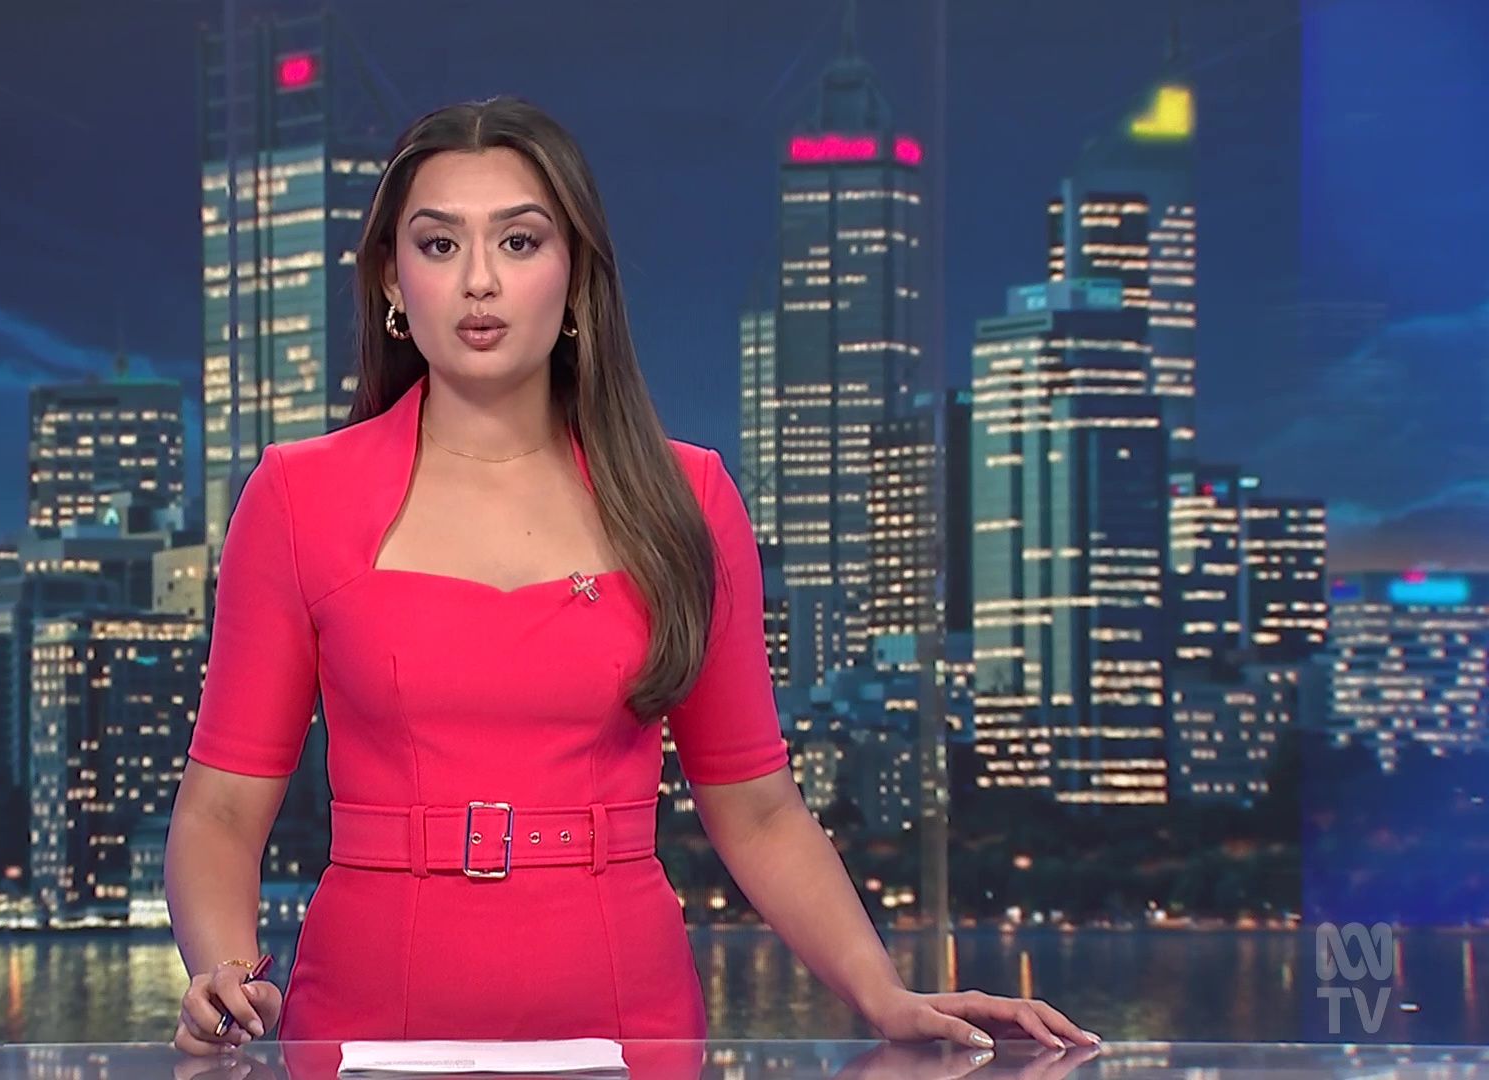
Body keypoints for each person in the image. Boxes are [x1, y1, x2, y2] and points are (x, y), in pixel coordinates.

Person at [166, 96, 1100, 1054]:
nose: (479, 280)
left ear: (576, 278)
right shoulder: (297, 499)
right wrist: (225, 977)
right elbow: (222, 811)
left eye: (519, 242)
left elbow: (760, 814)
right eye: (440, 245)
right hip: (365, 1032)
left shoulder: (685, 498)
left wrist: (887, 997)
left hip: (628, 1029)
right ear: (392, 282)